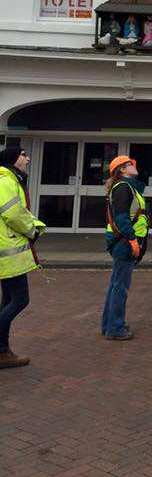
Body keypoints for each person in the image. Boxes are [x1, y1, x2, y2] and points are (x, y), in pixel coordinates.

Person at [0, 146, 45, 369]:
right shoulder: (6, 181)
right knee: (20, 299)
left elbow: (20, 211)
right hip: (9, 254)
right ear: (12, 159)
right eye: (23, 155)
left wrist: (35, 224)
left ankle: (3, 351)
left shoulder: (9, 179)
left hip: (8, 252)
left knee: (8, 300)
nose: (27, 159)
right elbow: (13, 213)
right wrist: (31, 230)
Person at [101, 154, 148, 341]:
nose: (134, 166)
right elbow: (121, 219)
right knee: (121, 287)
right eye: (130, 164)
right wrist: (133, 239)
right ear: (122, 170)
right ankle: (115, 328)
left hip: (122, 241)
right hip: (124, 243)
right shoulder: (123, 188)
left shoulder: (126, 187)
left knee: (116, 285)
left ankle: (109, 325)